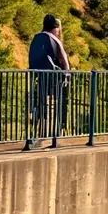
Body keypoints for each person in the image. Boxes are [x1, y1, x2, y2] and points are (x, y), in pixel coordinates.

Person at [27, 14, 71, 147]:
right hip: (54, 79)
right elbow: (63, 61)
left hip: (39, 77)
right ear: (56, 28)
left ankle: (40, 132)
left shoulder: (37, 38)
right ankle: (53, 135)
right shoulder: (54, 39)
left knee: (41, 104)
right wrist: (67, 75)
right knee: (54, 106)